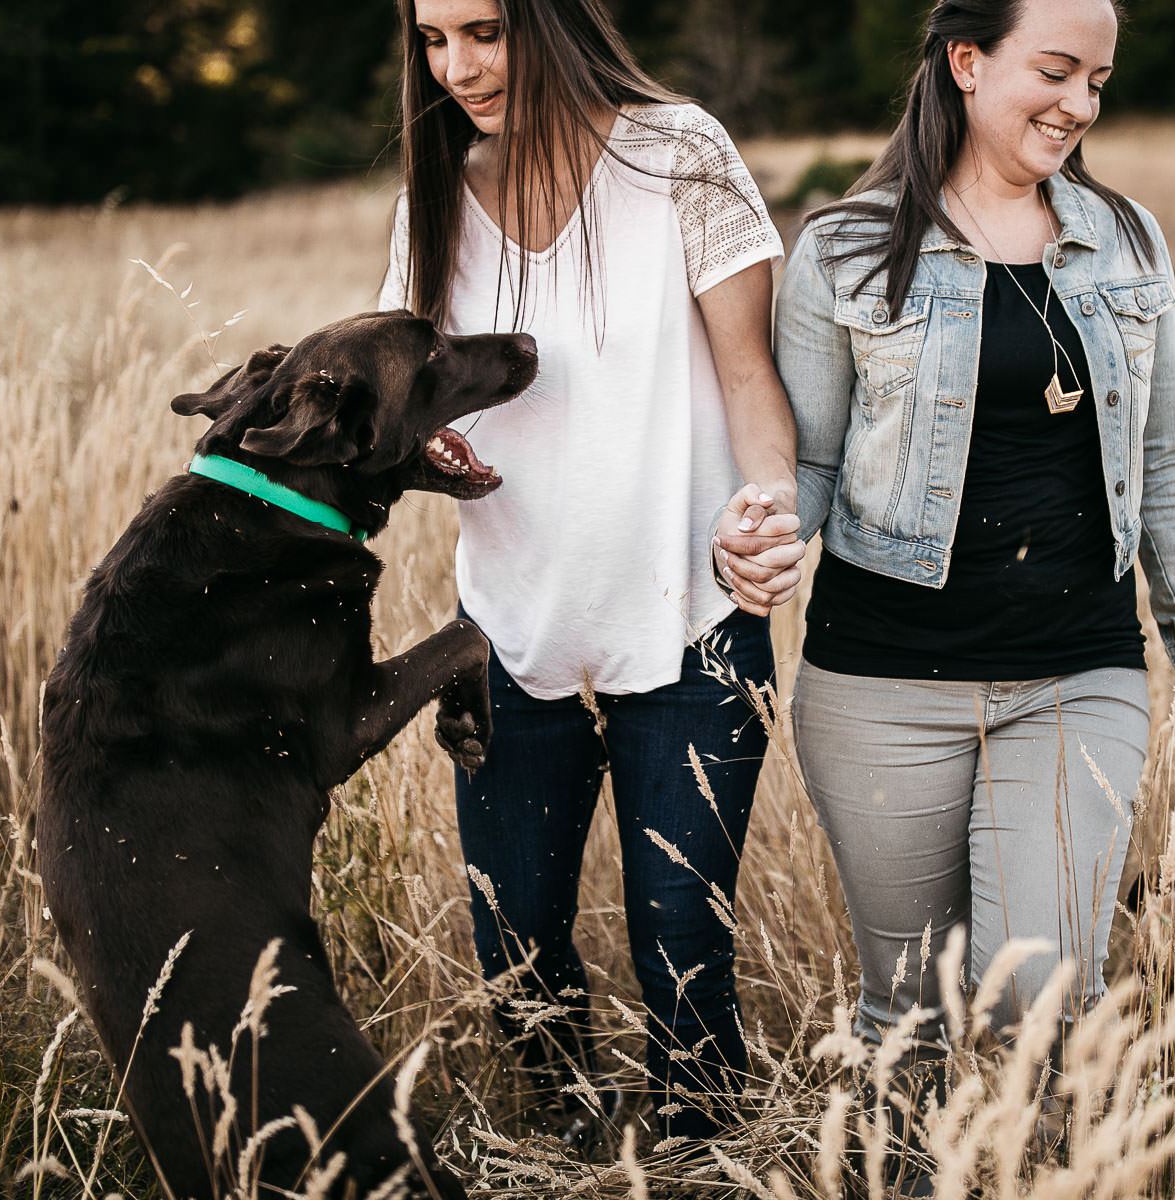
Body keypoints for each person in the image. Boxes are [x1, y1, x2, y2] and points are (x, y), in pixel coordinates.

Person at [725, 0, 1175, 1125]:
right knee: (906, 1013)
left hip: (1079, 673)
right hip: (880, 685)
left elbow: (1166, 463)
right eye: (1058, 71)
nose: (1080, 105)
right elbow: (811, 463)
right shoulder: (844, 250)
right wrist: (765, 527)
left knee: (1038, 995)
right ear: (967, 62)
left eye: (1099, 82)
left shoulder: (1127, 242)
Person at [378, 0, 805, 1147]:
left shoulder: (680, 154)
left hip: (695, 622)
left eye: (485, 31)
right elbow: (401, 394)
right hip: (510, 629)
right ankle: (567, 1150)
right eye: (433, 39)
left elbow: (752, 379)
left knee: (684, 946)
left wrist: (768, 499)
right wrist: (427, 449)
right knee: (515, 944)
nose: (458, 67)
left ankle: (702, 1155)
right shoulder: (435, 194)